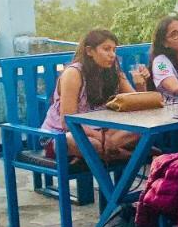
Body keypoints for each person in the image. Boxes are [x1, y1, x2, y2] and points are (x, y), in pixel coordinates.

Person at [42, 28, 148, 163]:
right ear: (89, 51)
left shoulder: (114, 71)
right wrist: (102, 138)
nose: (112, 55)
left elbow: (138, 104)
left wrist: (141, 84)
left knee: (142, 130)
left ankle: (105, 151)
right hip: (63, 135)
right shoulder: (73, 73)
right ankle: (126, 155)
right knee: (83, 143)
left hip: (103, 132)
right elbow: (67, 122)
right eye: (106, 49)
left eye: (114, 50)